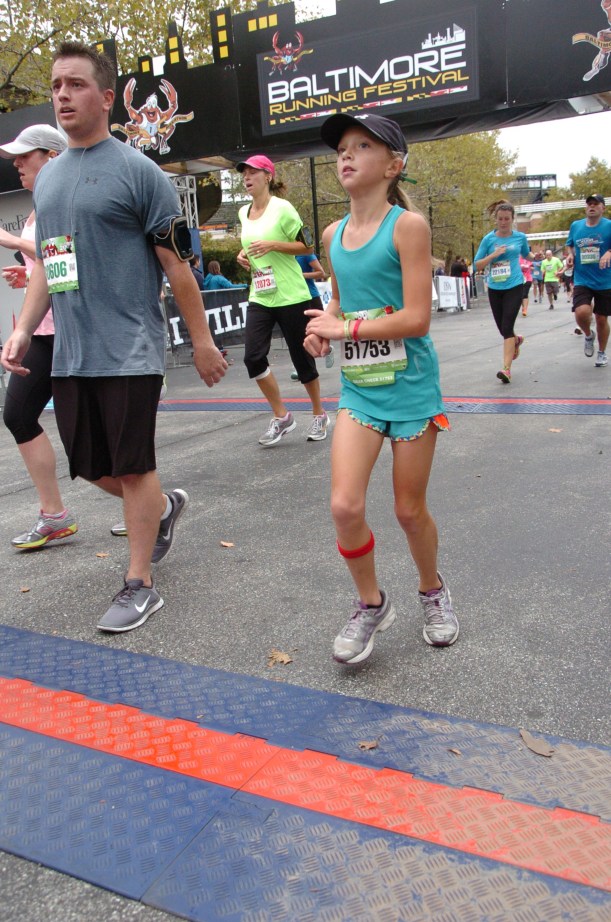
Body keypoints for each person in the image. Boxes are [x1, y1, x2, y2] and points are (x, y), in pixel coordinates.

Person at [1, 41, 227, 633]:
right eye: (56, 86)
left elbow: (179, 266)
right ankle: (163, 505)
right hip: (72, 351)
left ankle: (139, 584)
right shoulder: (48, 185)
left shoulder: (140, 173)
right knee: (88, 464)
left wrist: (201, 342)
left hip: (129, 346)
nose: (62, 95)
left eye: (75, 84)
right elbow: (54, 265)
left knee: (131, 464)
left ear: (105, 98)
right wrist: (24, 329)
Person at [304, 112, 458, 664]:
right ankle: (371, 603)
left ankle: (432, 591)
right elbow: (340, 304)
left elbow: (417, 318)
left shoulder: (407, 228)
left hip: (413, 390)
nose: (346, 156)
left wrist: (343, 328)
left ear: (393, 166)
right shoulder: (331, 235)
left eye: (361, 146)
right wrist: (322, 331)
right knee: (345, 506)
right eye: (342, 148)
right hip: (361, 391)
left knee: (408, 510)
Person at [0, 125, 78, 550]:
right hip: (45, 334)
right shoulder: (34, 211)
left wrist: (11, 242)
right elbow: (50, 269)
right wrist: (26, 274)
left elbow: (65, 254)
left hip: (77, 331)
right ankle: (54, 515)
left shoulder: (67, 200)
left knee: (91, 431)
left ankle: (148, 504)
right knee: (17, 414)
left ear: (51, 156)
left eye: (24, 156)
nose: (16, 164)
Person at [236, 154, 329, 444]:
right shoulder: (242, 213)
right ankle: (282, 416)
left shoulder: (283, 209)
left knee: (302, 360)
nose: (247, 178)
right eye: (244, 174)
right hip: (261, 295)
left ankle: (319, 414)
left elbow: (308, 244)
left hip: (291, 294)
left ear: (268, 176)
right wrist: (243, 256)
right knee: (252, 356)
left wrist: (274, 245)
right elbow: (252, 248)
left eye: (252, 173)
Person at [474, 200, 534, 383]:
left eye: (507, 219)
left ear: (512, 219)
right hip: (495, 287)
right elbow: (478, 264)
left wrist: (536, 257)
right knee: (503, 328)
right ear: (496, 220)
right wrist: (494, 255)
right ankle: (516, 340)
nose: (503, 222)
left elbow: (526, 254)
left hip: (514, 285)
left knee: (507, 327)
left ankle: (506, 369)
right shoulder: (489, 239)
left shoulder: (520, 237)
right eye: (500, 219)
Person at [566, 193, 611, 367]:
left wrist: (609, 252)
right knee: (582, 312)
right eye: (589, 204)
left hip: (605, 280)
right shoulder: (576, 226)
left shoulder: (609, 226)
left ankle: (601, 352)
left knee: (601, 318)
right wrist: (570, 255)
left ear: (603, 208)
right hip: (582, 279)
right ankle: (588, 334)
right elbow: (570, 244)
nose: (591, 207)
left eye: (595, 204)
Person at [290, 251, 334, 379]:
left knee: (319, 331)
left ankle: (328, 349)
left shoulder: (305, 254)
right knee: (300, 333)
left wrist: (300, 275)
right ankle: (300, 368)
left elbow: (321, 272)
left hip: (311, 296)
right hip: (295, 298)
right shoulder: (285, 256)